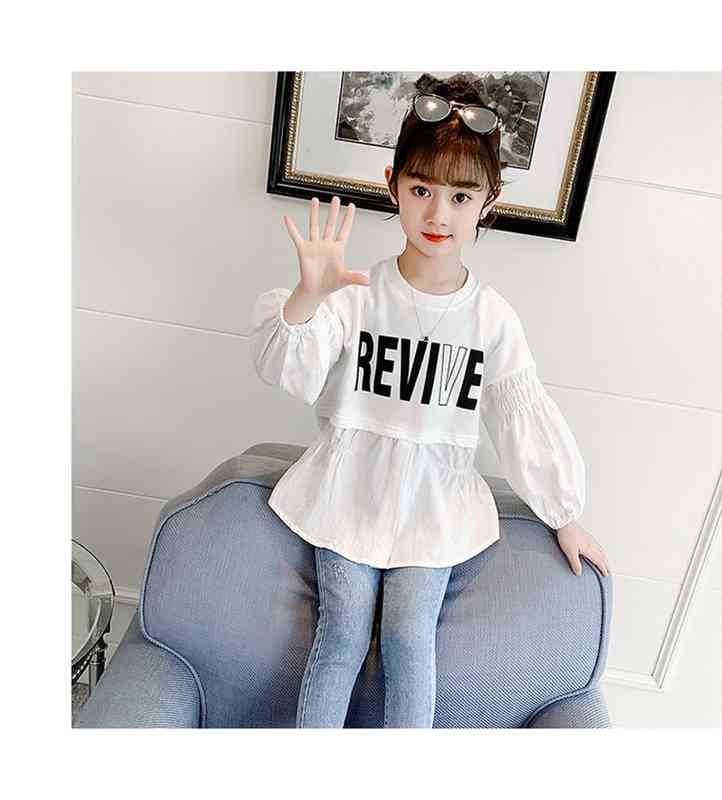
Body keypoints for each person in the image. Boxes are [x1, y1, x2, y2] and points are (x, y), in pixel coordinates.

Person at [248, 73, 610, 729]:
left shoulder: (493, 319)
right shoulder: (356, 295)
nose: (438, 214)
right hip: (348, 492)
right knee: (342, 633)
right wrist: (308, 295)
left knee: (411, 639)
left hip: (436, 505)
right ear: (393, 185)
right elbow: (288, 367)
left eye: (460, 195)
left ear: (488, 202)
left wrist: (565, 514)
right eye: (421, 190)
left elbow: (518, 418)